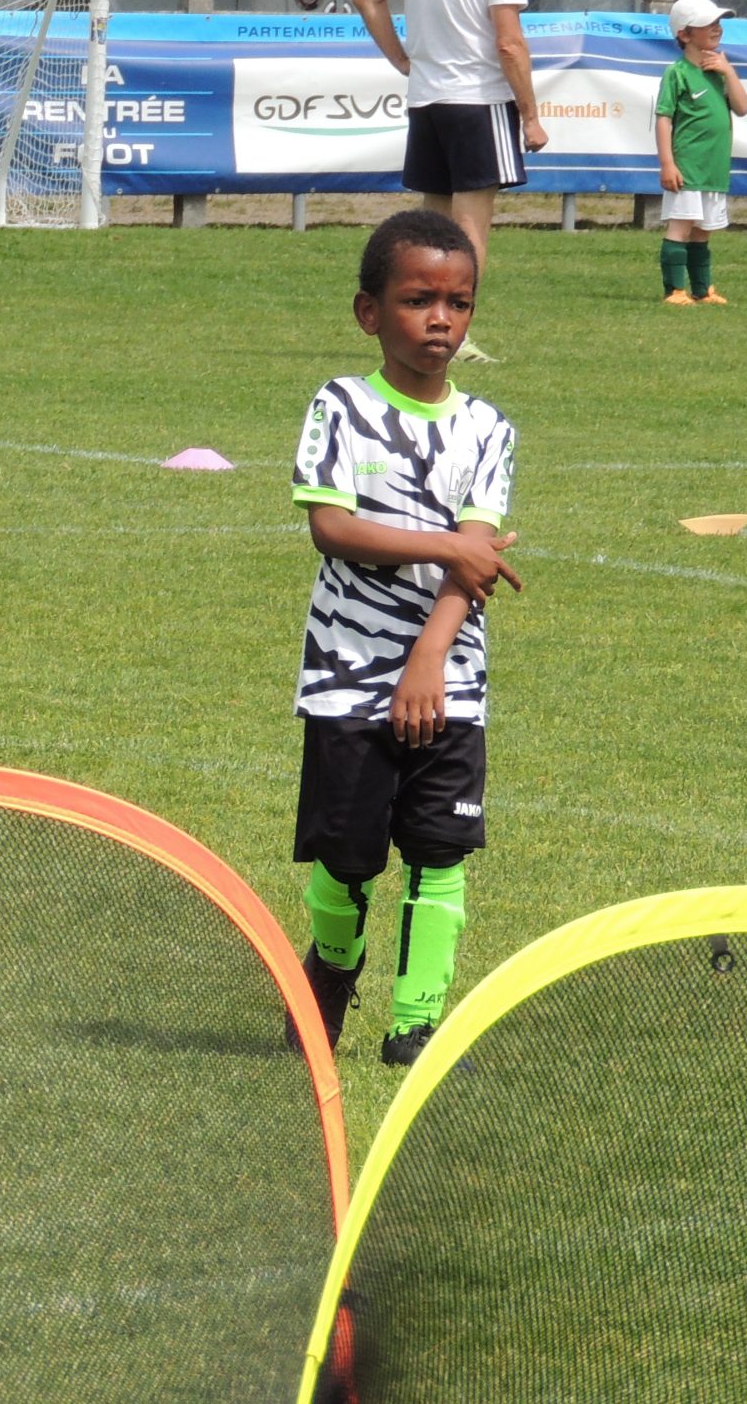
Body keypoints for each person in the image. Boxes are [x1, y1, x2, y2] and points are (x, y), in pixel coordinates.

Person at [286, 210, 520, 1067]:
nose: (440, 320)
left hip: (449, 675)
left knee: (440, 850)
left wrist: (429, 657)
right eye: (418, 300)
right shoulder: (341, 407)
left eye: (458, 304)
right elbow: (333, 528)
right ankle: (330, 972)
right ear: (369, 312)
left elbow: (480, 557)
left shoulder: (489, 429)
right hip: (348, 675)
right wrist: (450, 547)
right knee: (346, 861)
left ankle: (416, 1025)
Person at [350, 0, 547, 355]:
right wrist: (530, 115)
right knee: (467, 229)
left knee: (432, 229)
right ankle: (455, 336)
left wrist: (400, 58)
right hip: (479, 98)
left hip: (428, 99)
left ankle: (417, 328)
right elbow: (509, 41)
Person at [654, 0, 747, 307]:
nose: (717, 28)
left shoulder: (719, 70)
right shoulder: (677, 73)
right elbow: (664, 119)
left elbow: (742, 107)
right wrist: (668, 163)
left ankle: (702, 289)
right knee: (681, 227)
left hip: (714, 169)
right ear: (685, 34)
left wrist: (728, 71)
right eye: (708, 23)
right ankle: (674, 290)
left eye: (719, 22)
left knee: (703, 231)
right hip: (688, 167)